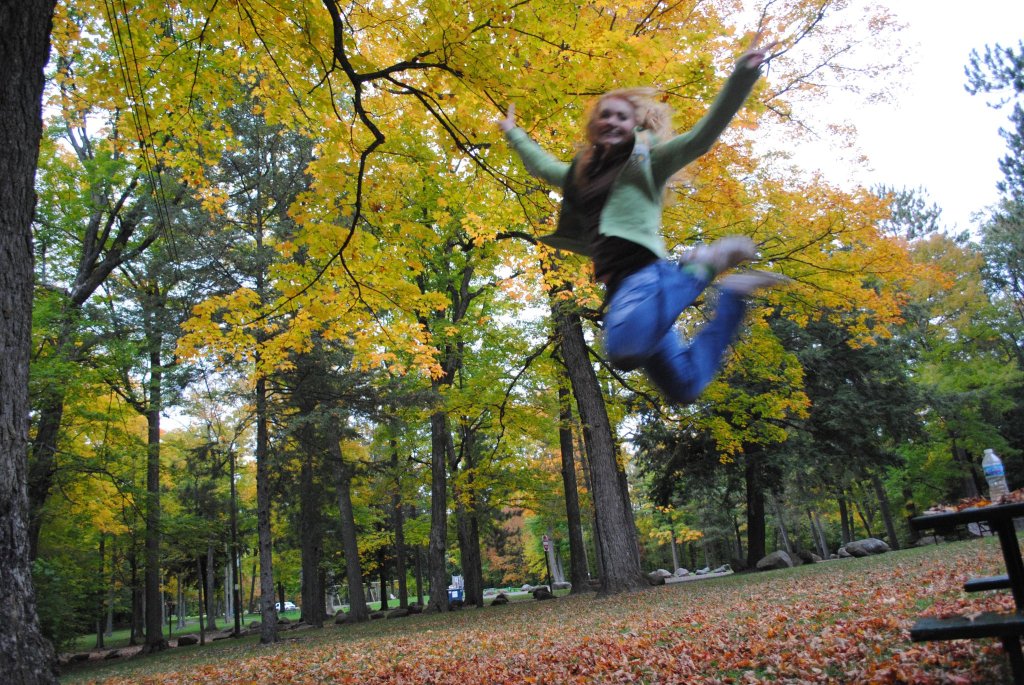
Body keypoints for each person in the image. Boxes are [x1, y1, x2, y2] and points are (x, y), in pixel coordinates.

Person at [497, 33, 789, 404]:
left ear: (635, 124)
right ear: (594, 126)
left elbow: (701, 138)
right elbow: (542, 166)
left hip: (646, 277)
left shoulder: (648, 161)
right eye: (605, 115)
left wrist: (742, 77)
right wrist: (513, 133)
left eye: (622, 116)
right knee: (684, 387)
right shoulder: (580, 174)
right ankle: (732, 296)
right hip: (627, 294)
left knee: (623, 350)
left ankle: (702, 266)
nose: (612, 121)